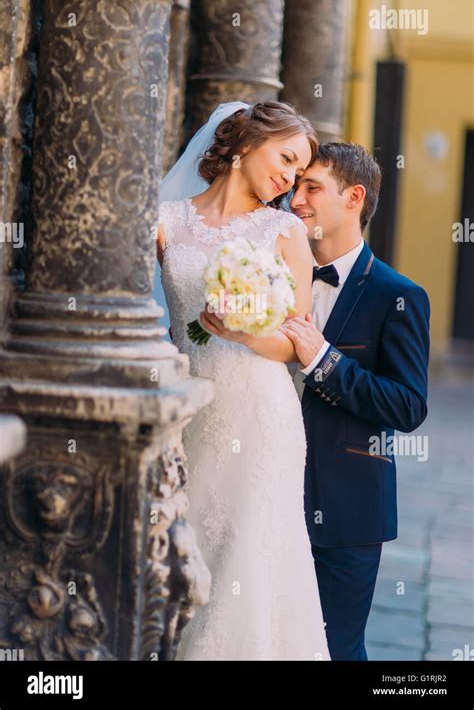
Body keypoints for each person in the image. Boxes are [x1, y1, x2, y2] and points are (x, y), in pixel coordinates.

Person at [156, 101, 330, 660]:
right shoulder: (166, 221)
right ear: (247, 141)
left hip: (260, 417)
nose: (288, 178)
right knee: (188, 551)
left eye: (300, 174)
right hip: (188, 412)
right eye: (285, 158)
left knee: (245, 561)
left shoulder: (283, 231)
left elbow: (293, 342)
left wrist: (241, 331)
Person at [281, 142, 430, 660]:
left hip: (345, 508)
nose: (295, 199)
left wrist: (325, 361)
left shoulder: (399, 295)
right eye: (295, 185)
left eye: (311, 187)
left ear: (354, 197)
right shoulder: (273, 273)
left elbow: (408, 405)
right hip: (264, 494)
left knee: (333, 649)